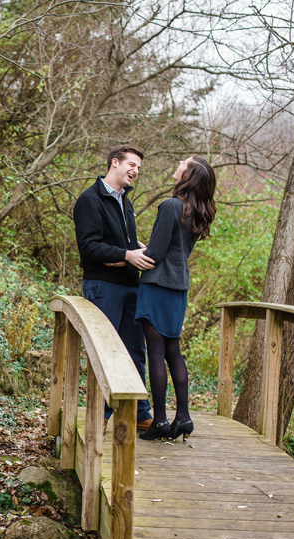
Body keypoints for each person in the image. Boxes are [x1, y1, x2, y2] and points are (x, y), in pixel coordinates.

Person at [73, 145, 155, 430]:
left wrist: (141, 249)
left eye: (139, 168)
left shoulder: (125, 201)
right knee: (105, 351)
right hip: (103, 286)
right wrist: (125, 255)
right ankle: (101, 416)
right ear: (115, 163)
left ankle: (139, 412)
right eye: (132, 164)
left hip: (132, 285)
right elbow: (89, 248)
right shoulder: (90, 200)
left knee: (135, 350)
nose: (135, 171)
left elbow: (124, 244)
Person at [136, 155, 217, 441]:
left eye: (184, 161)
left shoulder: (171, 206)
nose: (179, 162)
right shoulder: (197, 211)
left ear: (189, 173)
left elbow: (154, 255)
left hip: (158, 286)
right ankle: (183, 417)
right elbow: (173, 249)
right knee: (173, 352)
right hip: (178, 287)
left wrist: (130, 249)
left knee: (156, 353)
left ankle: (159, 422)